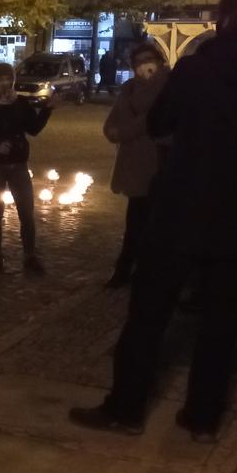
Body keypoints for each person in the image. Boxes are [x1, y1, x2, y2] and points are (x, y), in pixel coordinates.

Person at [71, 0, 237, 441]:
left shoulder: (197, 66)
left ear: (223, 19)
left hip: (182, 204)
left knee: (149, 312)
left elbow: (161, 122)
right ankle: (202, 417)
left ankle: (126, 407)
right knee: (222, 320)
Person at [0, 63, 52, 275]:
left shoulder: (21, 103)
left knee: (26, 212)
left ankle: (29, 257)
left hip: (18, 165)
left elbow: (33, 129)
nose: (5, 83)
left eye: (8, 78)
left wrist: (47, 109)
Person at [103, 44, 170, 289]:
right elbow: (113, 120)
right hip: (133, 163)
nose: (143, 65)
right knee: (135, 221)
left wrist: (122, 131)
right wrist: (112, 131)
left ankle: (144, 271)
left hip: (158, 163)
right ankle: (126, 268)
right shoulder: (129, 89)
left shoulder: (168, 87)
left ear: (159, 60)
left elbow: (150, 120)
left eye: (148, 59)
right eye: (138, 61)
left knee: (153, 221)